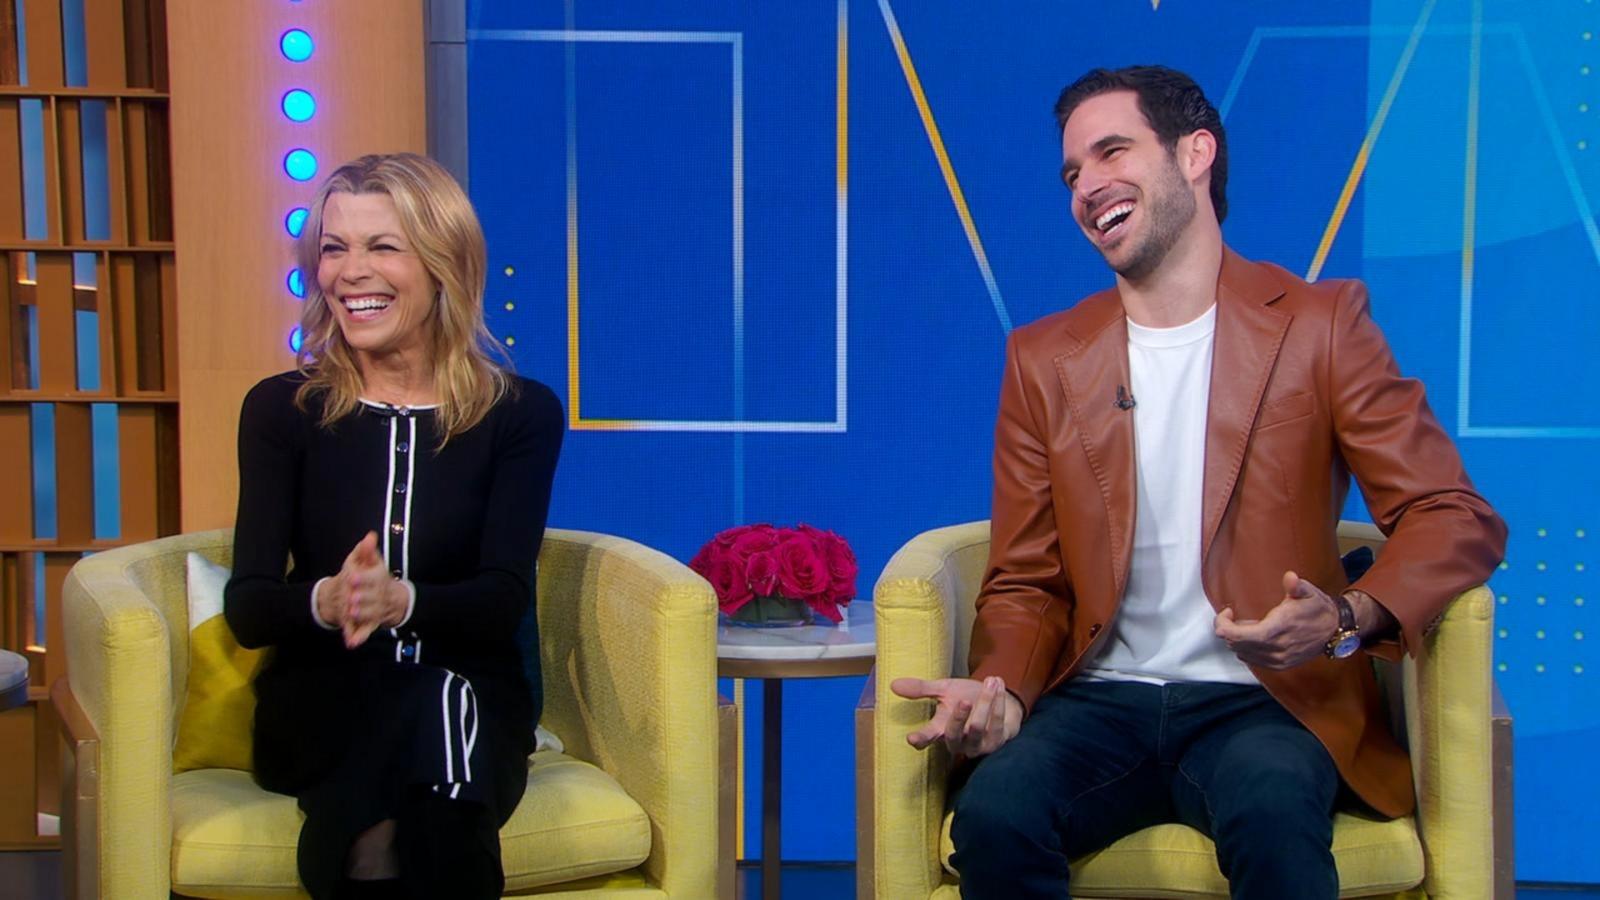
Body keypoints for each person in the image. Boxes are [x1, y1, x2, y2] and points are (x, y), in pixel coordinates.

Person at [890, 66, 1506, 899]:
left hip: (1268, 703)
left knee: (1274, 810)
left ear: (1195, 154)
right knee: (995, 815)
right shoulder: (1043, 359)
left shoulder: (1322, 325)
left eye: (1113, 151)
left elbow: (1453, 514)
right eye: (1073, 173)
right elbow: (1027, 577)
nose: (1088, 186)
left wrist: (1347, 619)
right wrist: (1002, 690)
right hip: (1099, 699)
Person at [224, 153, 564, 900]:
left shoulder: (519, 414)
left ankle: (364, 852)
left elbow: (501, 599)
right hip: (321, 705)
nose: (349, 272)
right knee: (437, 719)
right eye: (334, 248)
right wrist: (326, 600)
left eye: (382, 247)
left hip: (477, 698)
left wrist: (401, 602)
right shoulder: (283, 411)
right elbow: (249, 609)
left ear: (444, 262)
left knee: (435, 724)